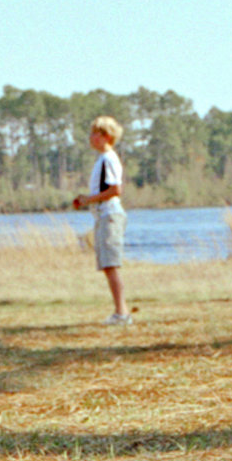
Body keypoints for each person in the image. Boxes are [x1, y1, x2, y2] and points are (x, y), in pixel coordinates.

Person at [70, 114, 131, 324]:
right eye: (92, 133)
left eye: (97, 133)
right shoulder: (102, 160)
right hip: (103, 215)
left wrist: (89, 199)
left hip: (110, 214)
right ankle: (120, 311)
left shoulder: (109, 159)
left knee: (111, 264)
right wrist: (87, 200)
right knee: (108, 265)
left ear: (107, 137)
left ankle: (122, 313)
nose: (92, 137)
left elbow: (115, 189)